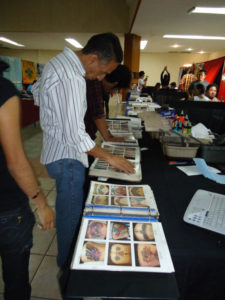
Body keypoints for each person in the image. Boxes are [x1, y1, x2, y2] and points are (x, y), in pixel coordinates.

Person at [32, 33, 135, 268]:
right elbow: (75, 136)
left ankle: (68, 268)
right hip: (67, 159)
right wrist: (111, 158)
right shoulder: (72, 78)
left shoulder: (57, 63)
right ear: (93, 58)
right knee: (69, 224)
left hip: (55, 152)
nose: (100, 78)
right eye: (102, 72)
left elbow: (38, 95)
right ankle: (69, 275)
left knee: (71, 216)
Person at [0, 60, 55, 300]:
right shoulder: (2, 90)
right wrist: (41, 203)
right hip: (6, 208)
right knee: (16, 284)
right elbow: (15, 160)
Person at [85, 64, 131, 142]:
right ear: (115, 83)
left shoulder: (98, 82)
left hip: (86, 134)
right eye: (117, 89)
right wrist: (108, 138)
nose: (114, 92)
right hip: (82, 136)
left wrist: (108, 134)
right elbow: (97, 113)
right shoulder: (95, 83)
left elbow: (100, 113)